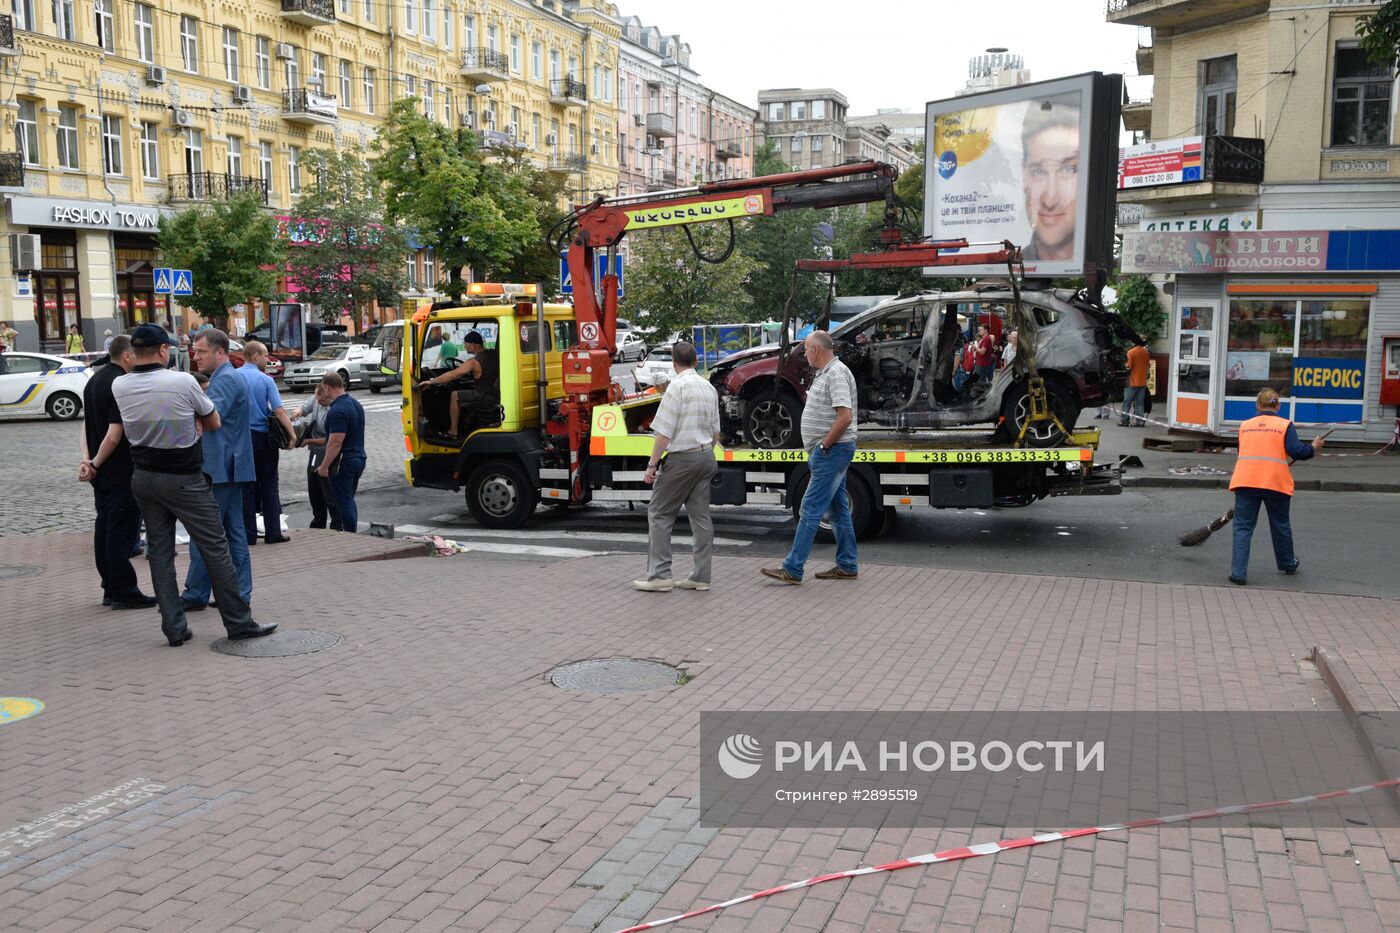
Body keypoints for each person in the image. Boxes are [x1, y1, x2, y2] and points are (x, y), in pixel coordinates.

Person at [108, 324, 275, 646]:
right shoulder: (182, 381)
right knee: (216, 546)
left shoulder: (120, 384)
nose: (191, 355)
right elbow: (212, 420)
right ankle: (238, 622)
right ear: (161, 350)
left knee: (160, 552)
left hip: (143, 475)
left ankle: (174, 628)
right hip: (184, 477)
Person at [762, 331, 859, 584]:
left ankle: (793, 568)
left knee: (810, 509)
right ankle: (847, 564)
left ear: (816, 349)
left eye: (806, 350)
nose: (804, 355)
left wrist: (824, 446)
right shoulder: (828, 372)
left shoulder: (836, 374)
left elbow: (845, 416)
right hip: (832, 451)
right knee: (838, 510)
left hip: (831, 452)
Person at [632, 341, 721, 593]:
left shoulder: (676, 388)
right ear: (695, 361)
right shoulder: (708, 387)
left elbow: (663, 433)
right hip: (705, 456)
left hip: (682, 459)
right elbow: (715, 432)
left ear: (674, 362)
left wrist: (652, 465)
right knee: (701, 517)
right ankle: (701, 576)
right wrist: (705, 450)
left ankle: (660, 575)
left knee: (660, 513)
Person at [77, 335, 156, 611]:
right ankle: (124, 590)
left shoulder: (93, 381)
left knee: (105, 526)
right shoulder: (118, 384)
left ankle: (110, 587)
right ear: (127, 356)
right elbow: (114, 434)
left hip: (101, 470)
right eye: (136, 354)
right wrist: (96, 462)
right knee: (120, 531)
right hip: (120, 468)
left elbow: (86, 427)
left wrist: (88, 460)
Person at [180, 329, 255, 612]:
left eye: (201, 352)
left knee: (206, 532)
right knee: (232, 531)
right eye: (195, 351)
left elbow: (211, 418)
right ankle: (237, 592)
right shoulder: (226, 377)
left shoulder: (225, 379)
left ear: (220, 352)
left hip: (220, 467)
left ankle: (197, 593)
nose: (195, 357)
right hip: (227, 466)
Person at [1227, 388, 1324, 586]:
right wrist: (1314, 447)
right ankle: (1287, 563)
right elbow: (1298, 452)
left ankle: (1238, 573)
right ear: (1277, 406)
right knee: (1280, 525)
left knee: (1242, 528)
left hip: (1245, 481)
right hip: (1274, 482)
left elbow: (1242, 451)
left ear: (1257, 405)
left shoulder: (1245, 426)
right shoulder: (1284, 425)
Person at [238, 340, 295, 545]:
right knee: (269, 485)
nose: (268, 359)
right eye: (265, 356)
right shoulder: (265, 380)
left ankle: (248, 534)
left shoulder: (234, 378)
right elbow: (279, 410)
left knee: (246, 486)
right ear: (255, 356)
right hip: (264, 439)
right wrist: (292, 435)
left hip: (242, 440)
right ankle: (272, 532)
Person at [1020, 100, 1080, 263]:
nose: (1050, 199)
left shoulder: (1090, 267)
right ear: (1023, 173)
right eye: (1038, 171)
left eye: (1068, 169)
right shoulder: (1012, 264)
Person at [417, 331, 499, 438]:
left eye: (465, 344)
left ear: (473, 344)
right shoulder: (493, 353)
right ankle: (466, 424)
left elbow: (454, 374)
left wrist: (432, 381)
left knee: (454, 395)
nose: (465, 346)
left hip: (483, 396)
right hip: (494, 395)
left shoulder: (473, 362)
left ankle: (453, 431)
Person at [317, 372, 366, 533]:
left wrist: (324, 466)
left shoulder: (337, 410)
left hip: (344, 461)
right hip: (358, 457)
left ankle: (350, 536)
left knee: (343, 500)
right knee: (348, 499)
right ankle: (353, 533)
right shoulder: (355, 404)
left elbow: (336, 442)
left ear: (327, 387)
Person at [291, 384, 334, 529]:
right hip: (315, 451)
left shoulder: (334, 410)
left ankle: (336, 523)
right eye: (316, 399)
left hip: (328, 451)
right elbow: (304, 407)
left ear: (329, 396)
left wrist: (309, 441)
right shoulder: (317, 398)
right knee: (314, 487)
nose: (318, 402)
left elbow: (331, 439)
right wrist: (298, 411)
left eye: (321, 401)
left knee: (327, 489)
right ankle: (318, 521)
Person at [1120, 335, 1151, 427]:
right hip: (1142, 382)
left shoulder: (1131, 352)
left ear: (1133, 342)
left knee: (1127, 402)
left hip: (1131, 382)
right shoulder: (1145, 352)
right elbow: (1147, 366)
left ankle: (1124, 421)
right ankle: (1140, 422)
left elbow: (1128, 367)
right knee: (1140, 403)